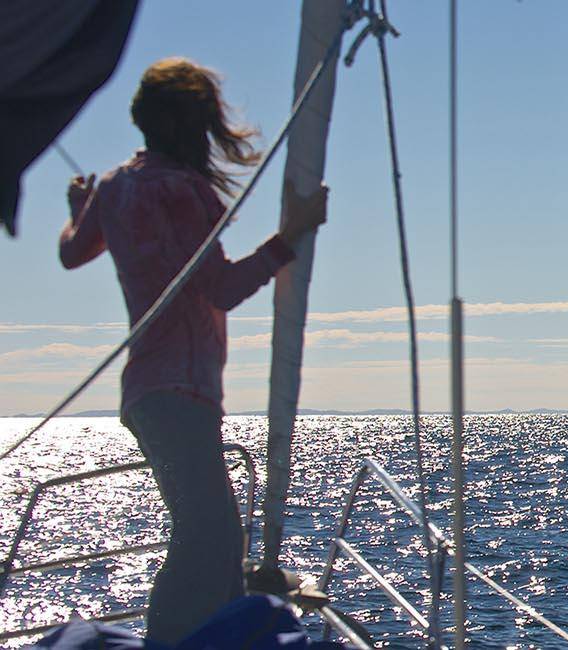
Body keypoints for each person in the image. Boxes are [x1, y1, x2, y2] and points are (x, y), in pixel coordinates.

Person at [56, 57, 327, 645]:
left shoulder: (114, 187)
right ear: (194, 124)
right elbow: (222, 290)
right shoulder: (185, 190)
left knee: (218, 538)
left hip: (147, 394)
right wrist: (294, 233)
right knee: (208, 536)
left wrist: (79, 211)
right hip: (182, 393)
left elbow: (73, 254)